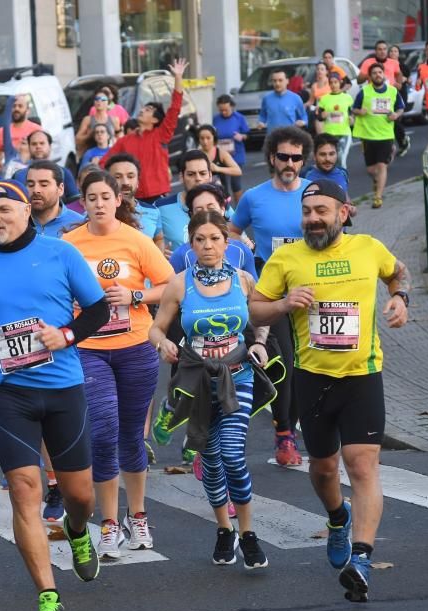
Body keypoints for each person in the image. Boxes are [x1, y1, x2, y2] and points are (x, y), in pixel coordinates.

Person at [0, 180, 109, 611]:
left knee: (80, 495)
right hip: (8, 393)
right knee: (25, 491)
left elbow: (98, 310)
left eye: (4, 209)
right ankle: (48, 596)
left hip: (63, 387)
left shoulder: (61, 253)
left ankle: (78, 531)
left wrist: (67, 335)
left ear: (26, 211)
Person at [250, 178, 411, 603]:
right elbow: (255, 307)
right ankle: (337, 518)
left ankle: (360, 560)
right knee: (323, 469)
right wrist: (283, 305)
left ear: (343, 212)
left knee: (362, 467)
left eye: (321, 210)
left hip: (362, 376)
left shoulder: (368, 248)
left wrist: (401, 298)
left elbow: (397, 273)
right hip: (313, 379)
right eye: (307, 212)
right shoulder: (286, 258)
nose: (313, 219)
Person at [149, 209, 269, 568]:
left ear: (226, 241)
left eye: (214, 239)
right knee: (212, 461)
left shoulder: (244, 280)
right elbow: (156, 327)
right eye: (199, 240)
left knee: (232, 454)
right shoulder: (179, 283)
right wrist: (162, 344)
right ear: (191, 243)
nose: (207, 246)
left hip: (238, 377)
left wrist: (259, 342)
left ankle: (248, 533)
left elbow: (262, 317)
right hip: (197, 383)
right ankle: (223, 530)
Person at [63, 172, 174, 557]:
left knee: (131, 434)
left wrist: (135, 294)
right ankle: (109, 524)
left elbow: (171, 285)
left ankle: (138, 515)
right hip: (89, 349)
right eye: (91, 197)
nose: (98, 203)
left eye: (105, 196)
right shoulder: (69, 244)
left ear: (117, 199)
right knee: (104, 431)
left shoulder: (135, 240)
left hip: (135, 347)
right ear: (84, 202)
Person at [231, 126, 313, 466]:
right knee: (286, 366)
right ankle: (284, 435)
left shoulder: (315, 192)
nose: (290, 163)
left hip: (312, 291)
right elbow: (233, 231)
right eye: (284, 157)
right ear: (272, 158)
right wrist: (247, 252)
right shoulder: (254, 197)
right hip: (271, 292)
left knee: (313, 365)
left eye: (296, 157)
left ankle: (310, 426)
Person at [101, 58, 189, 202]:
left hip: (158, 194)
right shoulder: (125, 140)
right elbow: (105, 162)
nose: (142, 110)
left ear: (155, 120)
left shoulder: (161, 134)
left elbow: (175, 107)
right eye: (143, 108)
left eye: (148, 110)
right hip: (133, 196)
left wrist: (178, 77)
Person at [168, 183, 256, 278]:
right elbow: (171, 288)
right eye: (199, 210)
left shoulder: (242, 250)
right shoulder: (180, 255)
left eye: (211, 208)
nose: (206, 214)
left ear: (222, 209)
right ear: (191, 215)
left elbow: (253, 290)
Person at [352, 62, 404, 209]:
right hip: (368, 135)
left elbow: (401, 108)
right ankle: (376, 181)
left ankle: (378, 197)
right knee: (370, 170)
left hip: (385, 134)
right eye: (374, 73)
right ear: (370, 76)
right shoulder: (364, 92)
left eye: (379, 72)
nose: (377, 75)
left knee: (382, 166)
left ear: (384, 74)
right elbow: (354, 108)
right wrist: (359, 111)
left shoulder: (392, 91)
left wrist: (396, 115)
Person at [157, 149, 217, 254]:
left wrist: (249, 243)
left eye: (202, 173)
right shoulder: (161, 207)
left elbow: (239, 238)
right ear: (181, 177)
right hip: (176, 270)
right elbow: (143, 243)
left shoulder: (220, 205)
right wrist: (157, 253)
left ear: (210, 176)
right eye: (191, 174)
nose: (198, 178)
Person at [105, 152, 164, 248]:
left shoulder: (153, 211)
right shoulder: (98, 213)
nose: (125, 182)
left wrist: (160, 255)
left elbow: (158, 238)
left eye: (130, 176)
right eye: (118, 177)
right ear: (107, 182)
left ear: (138, 182)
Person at [12, 129, 81, 203]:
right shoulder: (18, 175)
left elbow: (75, 202)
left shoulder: (63, 173)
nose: (38, 146)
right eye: (34, 144)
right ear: (29, 147)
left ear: (50, 146)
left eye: (42, 143)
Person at [25, 160, 85, 237]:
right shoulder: (16, 222)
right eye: (30, 185)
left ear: (60, 189)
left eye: (44, 185)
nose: (36, 190)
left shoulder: (79, 225)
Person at [212, 94, 250, 201]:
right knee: (222, 184)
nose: (223, 112)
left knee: (235, 183)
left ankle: (240, 208)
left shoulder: (239, 118)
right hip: (221, 155)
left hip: (236, 154)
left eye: (226, 110)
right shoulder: (216, 119)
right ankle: (226, 210)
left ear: (232, 107)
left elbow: (248, 135)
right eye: (221, 110)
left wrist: (242, 136)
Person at [0, 94, 43, 173]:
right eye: (14, 106)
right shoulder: (2, 131)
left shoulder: (37, 130)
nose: (16, 109)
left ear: (27, 110)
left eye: (20, 106)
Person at [196, 124, 242, 203]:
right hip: (201, 196)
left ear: (214, 138)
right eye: (202, 138)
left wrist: (218, 168)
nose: (205, 141)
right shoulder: (195, 155)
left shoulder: (221, 153)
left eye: (208, 138)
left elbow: (238, 171)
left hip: (221, 196)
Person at [316, 72, 354, 166]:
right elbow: (319, 117)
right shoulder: (324, 99)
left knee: (341, 159)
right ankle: (334, 179)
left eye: (335, 82)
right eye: (331, 82)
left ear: (340, 82)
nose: (333, 85)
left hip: (344, 133)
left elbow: (352, 113)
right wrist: (322, 116)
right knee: (332, 161)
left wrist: (352, 119)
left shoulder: (347, 97)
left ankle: (343, 180)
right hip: (329, 134)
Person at [387, 44, 413, 157]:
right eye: (391, 51)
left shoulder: (403, 66)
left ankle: (402, 140)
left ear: (398, 54)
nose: (393, 53)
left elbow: (409, 79)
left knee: (396, 119)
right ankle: (401, 141)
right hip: (387, 95)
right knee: (390, 121)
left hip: (400, 94)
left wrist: (406, 79)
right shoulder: (386, 65)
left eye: (395, 51)